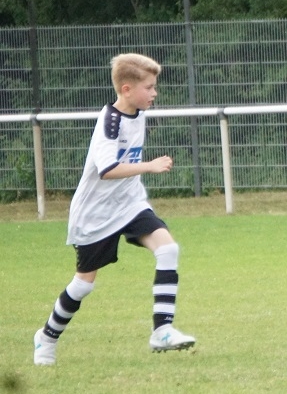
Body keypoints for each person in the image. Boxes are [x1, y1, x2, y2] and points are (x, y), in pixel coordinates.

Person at [33, 53, 196, 365]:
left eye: (154, 86)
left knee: (168, 249)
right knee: (83, 284)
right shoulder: (110, 123)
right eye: (149, 87)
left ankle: (162, 331)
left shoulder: (139, 112)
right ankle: (47, 337)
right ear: (126, 89)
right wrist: (149, 166)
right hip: (95, 214)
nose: (154, 93)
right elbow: (107, 169)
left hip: (129, 204)